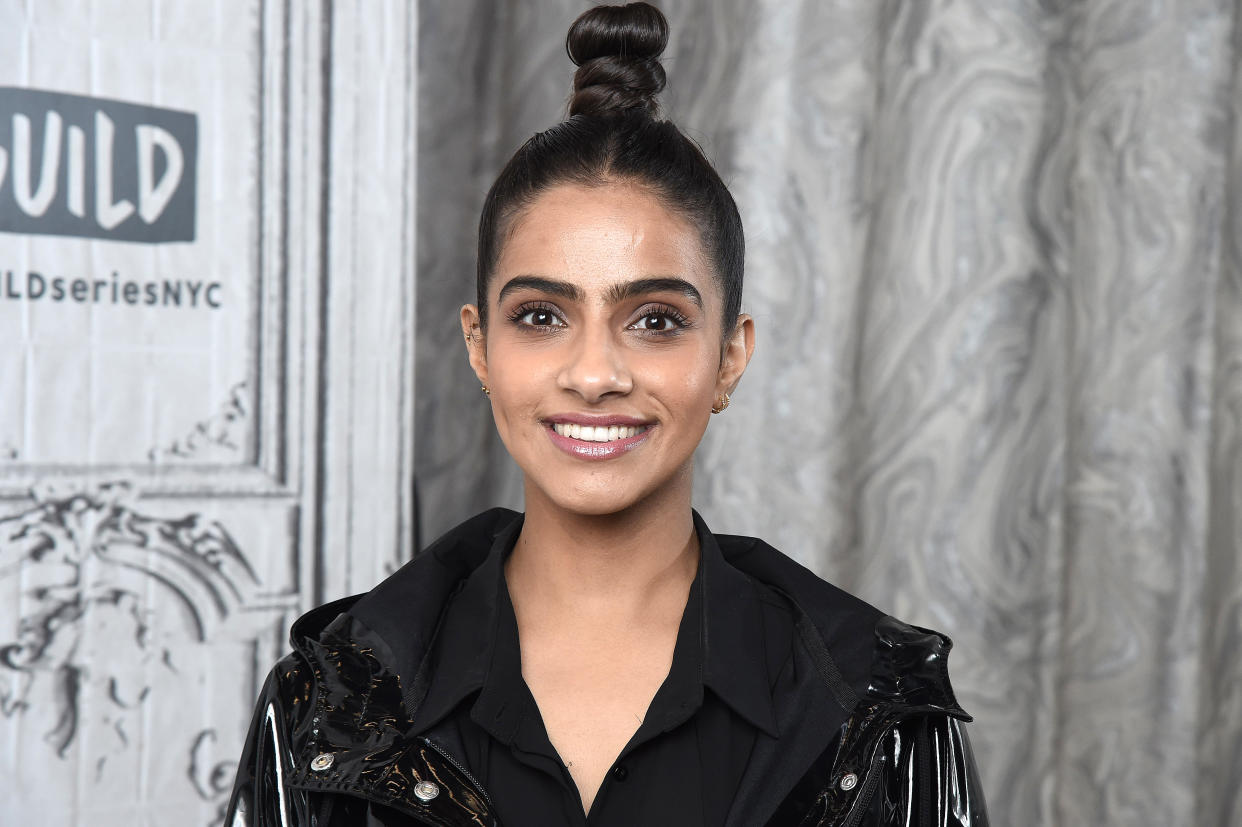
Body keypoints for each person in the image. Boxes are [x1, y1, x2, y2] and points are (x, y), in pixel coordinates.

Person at [225, 3, 989, 825]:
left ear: (730, 354)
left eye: (656, 319)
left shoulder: (884, 714)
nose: (594, 374)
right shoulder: (325, 699)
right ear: (480, 348)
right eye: (542, 317)